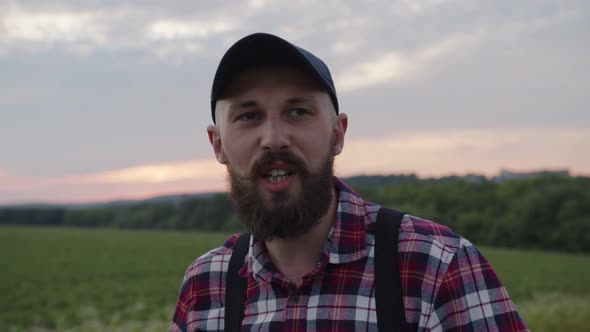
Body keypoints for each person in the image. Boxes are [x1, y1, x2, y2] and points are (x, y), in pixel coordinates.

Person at [169, 33, 528, 331]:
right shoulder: (205, 285)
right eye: (248, 116)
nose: (274, 138)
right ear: (218, 144)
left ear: (338, 134)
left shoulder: (436, 268)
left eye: (298, 112)